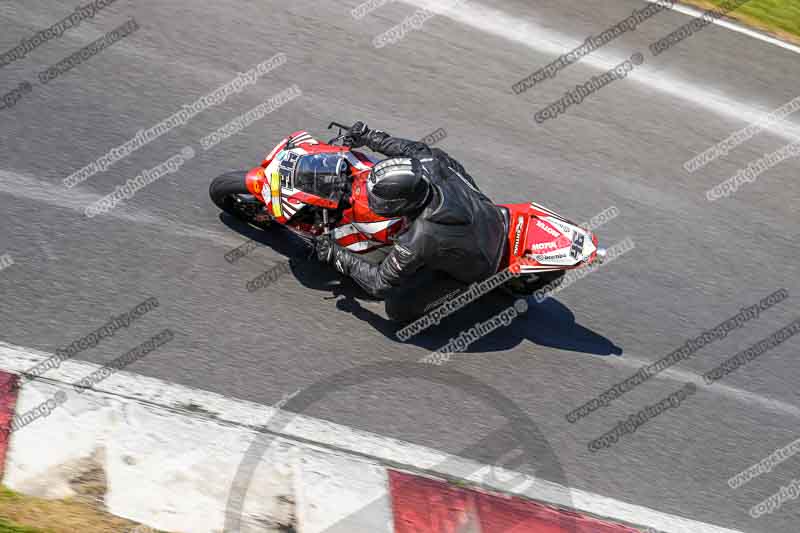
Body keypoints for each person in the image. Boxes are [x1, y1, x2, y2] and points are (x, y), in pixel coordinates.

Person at [314, 122, 508, 322]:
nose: (374, 201)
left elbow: (380, 283)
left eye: (380, 200)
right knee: (446, 163)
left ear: (403, 202)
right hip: (486, 210)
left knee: (397, 310)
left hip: (482, 261)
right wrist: (367, 136)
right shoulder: (429, 161)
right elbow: (408, 149)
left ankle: (466, 290)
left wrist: (336, 255)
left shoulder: (418, 237)